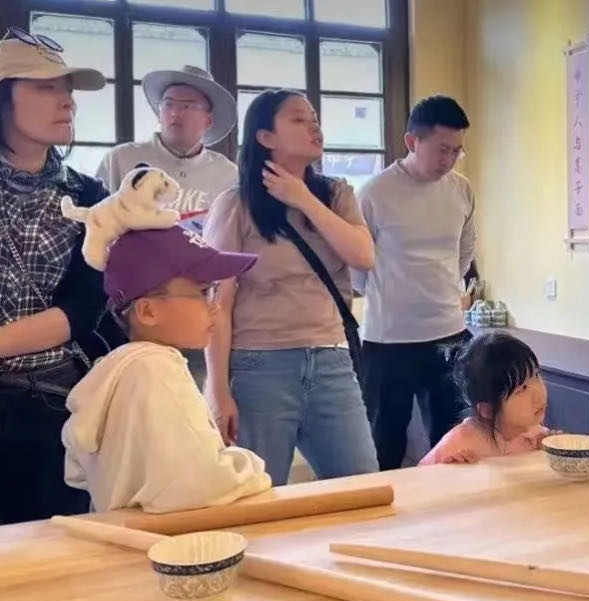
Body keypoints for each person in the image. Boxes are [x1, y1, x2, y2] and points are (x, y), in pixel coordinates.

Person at [204, 89, 379, 487]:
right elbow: (219, 303)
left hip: (332, 360)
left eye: (314, 118)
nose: (314, 126)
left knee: (361, 485)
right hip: (260, 366)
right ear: (265, 137)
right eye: (299, 119)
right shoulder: (236, 204)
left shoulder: (336, 194)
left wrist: (303, 199)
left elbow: (364, 256)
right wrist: (217, 390)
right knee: (258, 493)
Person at [0, 29, 126, 523]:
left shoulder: (90, 197)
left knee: (60, 549)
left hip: (59, 404)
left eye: (67, 89)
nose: (66, 101)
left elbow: (84, 308)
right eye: (45, 87)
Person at [62, 224, 271, 513]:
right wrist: (252, 466)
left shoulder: (121, 370)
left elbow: (78, 471)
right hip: (163, 539)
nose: (216, 307)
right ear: (148, 311)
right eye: (204, 292)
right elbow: (199, 485)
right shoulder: (157, 370)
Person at [353, 95, 476, 470]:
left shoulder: (461, 189)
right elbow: (357, 266)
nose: (448, 159)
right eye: (441, 149)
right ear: (412, 141)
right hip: (388, 339)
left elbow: (464, 251)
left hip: (449, 333)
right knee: (385, 442)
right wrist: (392, 292)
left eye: (456, 151)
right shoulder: (374, 192)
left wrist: (441, 287)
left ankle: (449, 504)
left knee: (454, 441)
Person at [96, 65, 238, 388]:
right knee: (132, 390)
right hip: (134, 307)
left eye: (188, 106)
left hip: (194, 306)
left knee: (188, 396)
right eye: (169, 103)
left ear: (208, 119)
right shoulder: (122, 159)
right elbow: (97, 224)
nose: (176, 113)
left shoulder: (227, 174)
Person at [419, 331, 549, 466]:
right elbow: (417, 476)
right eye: (522, 389)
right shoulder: (459, 443)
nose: (539, 394)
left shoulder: (537, 436)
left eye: (536, 375)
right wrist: (449, 469)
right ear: (488, 410)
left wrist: (549, 455)